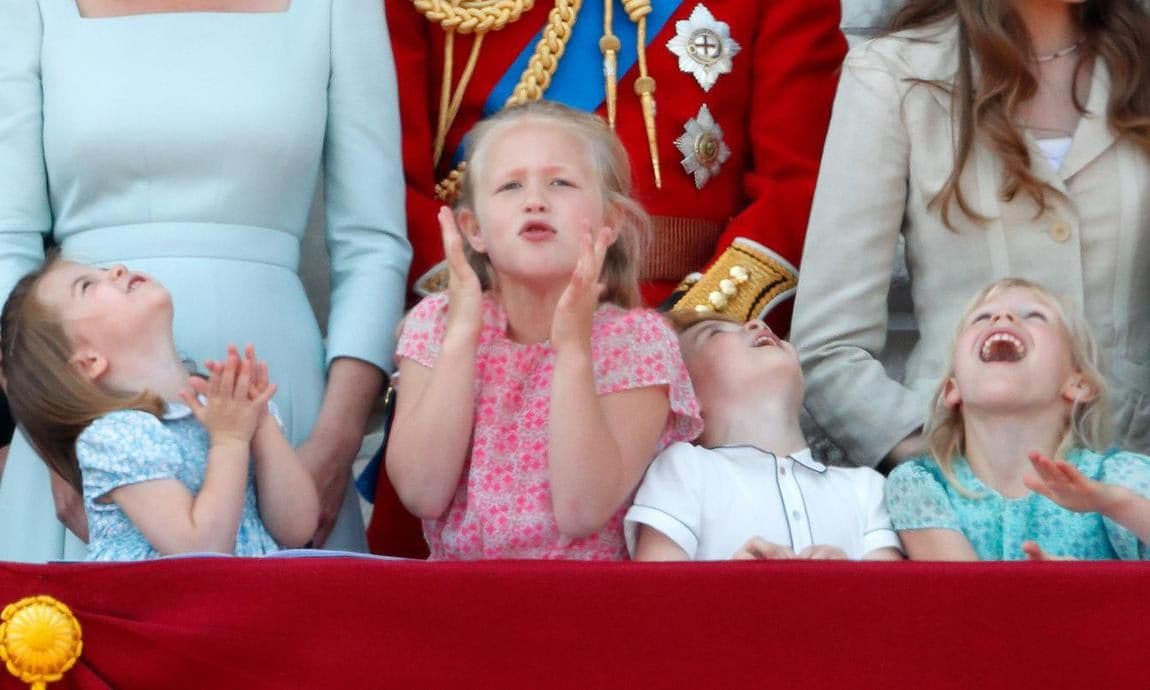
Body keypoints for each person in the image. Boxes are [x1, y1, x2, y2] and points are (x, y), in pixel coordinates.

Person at [0, 0, 411, 561]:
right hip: (76, 392)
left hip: (278, 386)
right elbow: (7, 238)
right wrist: (55, 432)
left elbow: (372, 242)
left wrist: (335, 444)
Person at [791, 0, 1150, 471]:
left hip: (1134, 484)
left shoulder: (1140, 61)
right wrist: (941, 466)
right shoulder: (893, 73)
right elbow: (827, 346)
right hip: (954, 499)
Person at [387, 0, 846, 319]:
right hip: (485, 326)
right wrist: (483, 312)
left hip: (686, 328)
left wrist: (698, 324)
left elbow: (797, 186)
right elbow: (390, 184)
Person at [384, 102, 702, 560]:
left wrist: (572, 349)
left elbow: (581, 509)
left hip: (583, 608)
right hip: (456, 605)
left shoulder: (638, 341)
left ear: (610, 221)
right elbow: (422, 491)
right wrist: (462, 334)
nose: (535, 200)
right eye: (510, 185)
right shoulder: (436, 324)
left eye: (561, 183)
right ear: (473, 230)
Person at [0, 258, 319, 560]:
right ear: (89, 362)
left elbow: (297, 529)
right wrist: (230, 440)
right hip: (171, 613)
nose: (116, 270)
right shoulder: (116, 437)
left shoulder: (223, 409)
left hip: (252, 605)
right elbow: (201, 550)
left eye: (103, 268)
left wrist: (259, 423)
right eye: (86, 285)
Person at [885, 278, 1150, 561]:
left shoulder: (1119, 478)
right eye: (982, 317)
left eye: (1034, 315)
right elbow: (964, 599)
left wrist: (1115, 503)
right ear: (953, 389)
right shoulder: (920, 485)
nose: (1002, 317)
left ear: (1079, 385)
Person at [626, 311, 902, 561]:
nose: (757, 323)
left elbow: (894, 604)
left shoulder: (866, 489)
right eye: (715, 332)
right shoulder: (683, 470)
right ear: (685, 399)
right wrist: (731, 588)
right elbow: (657, 596)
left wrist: (852, 582)